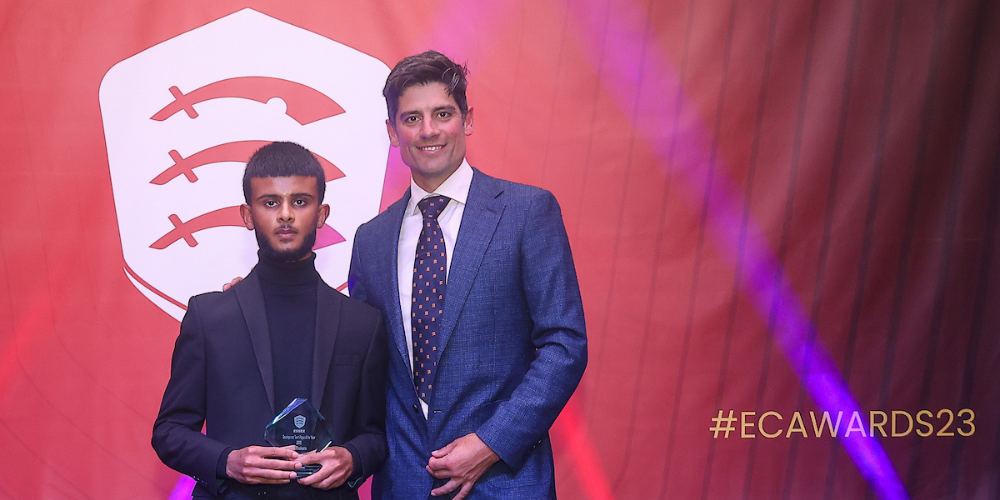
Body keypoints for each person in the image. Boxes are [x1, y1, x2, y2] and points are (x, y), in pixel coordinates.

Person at [348, 50, 587, 500]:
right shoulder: (371, 240)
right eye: (412, 118)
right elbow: (355, 354)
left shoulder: (526, 212)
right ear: (393, 132)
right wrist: (269, 298)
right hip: (403, 484)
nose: (429, 130)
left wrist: (491, 443)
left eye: (443, 114)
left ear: (468, 119)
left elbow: (565, 344)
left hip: (505, 482)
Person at [152, 141, 389, 500]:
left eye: (300, 201)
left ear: (321, 214)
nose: (286, 215)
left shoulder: (362, 323)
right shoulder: (209, 317)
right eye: (270, 202)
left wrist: (353, 457)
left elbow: (377, 434)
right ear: (247, 215)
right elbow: (169, 431)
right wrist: (227, 461)